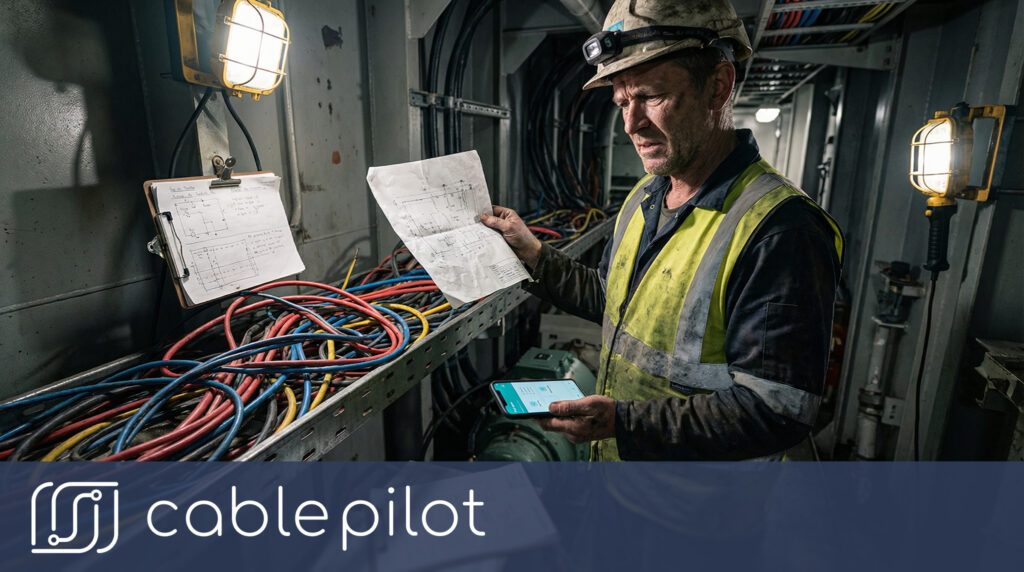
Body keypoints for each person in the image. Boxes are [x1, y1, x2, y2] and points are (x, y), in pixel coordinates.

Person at [481, 0, 843, 461]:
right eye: (622, 103)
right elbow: (612, 299)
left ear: (718, 86)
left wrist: (623, 423)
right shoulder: (647, 195)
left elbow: (775, 410)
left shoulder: (781, 230)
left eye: (651, 96)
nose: (632, 124)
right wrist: (534, 255)